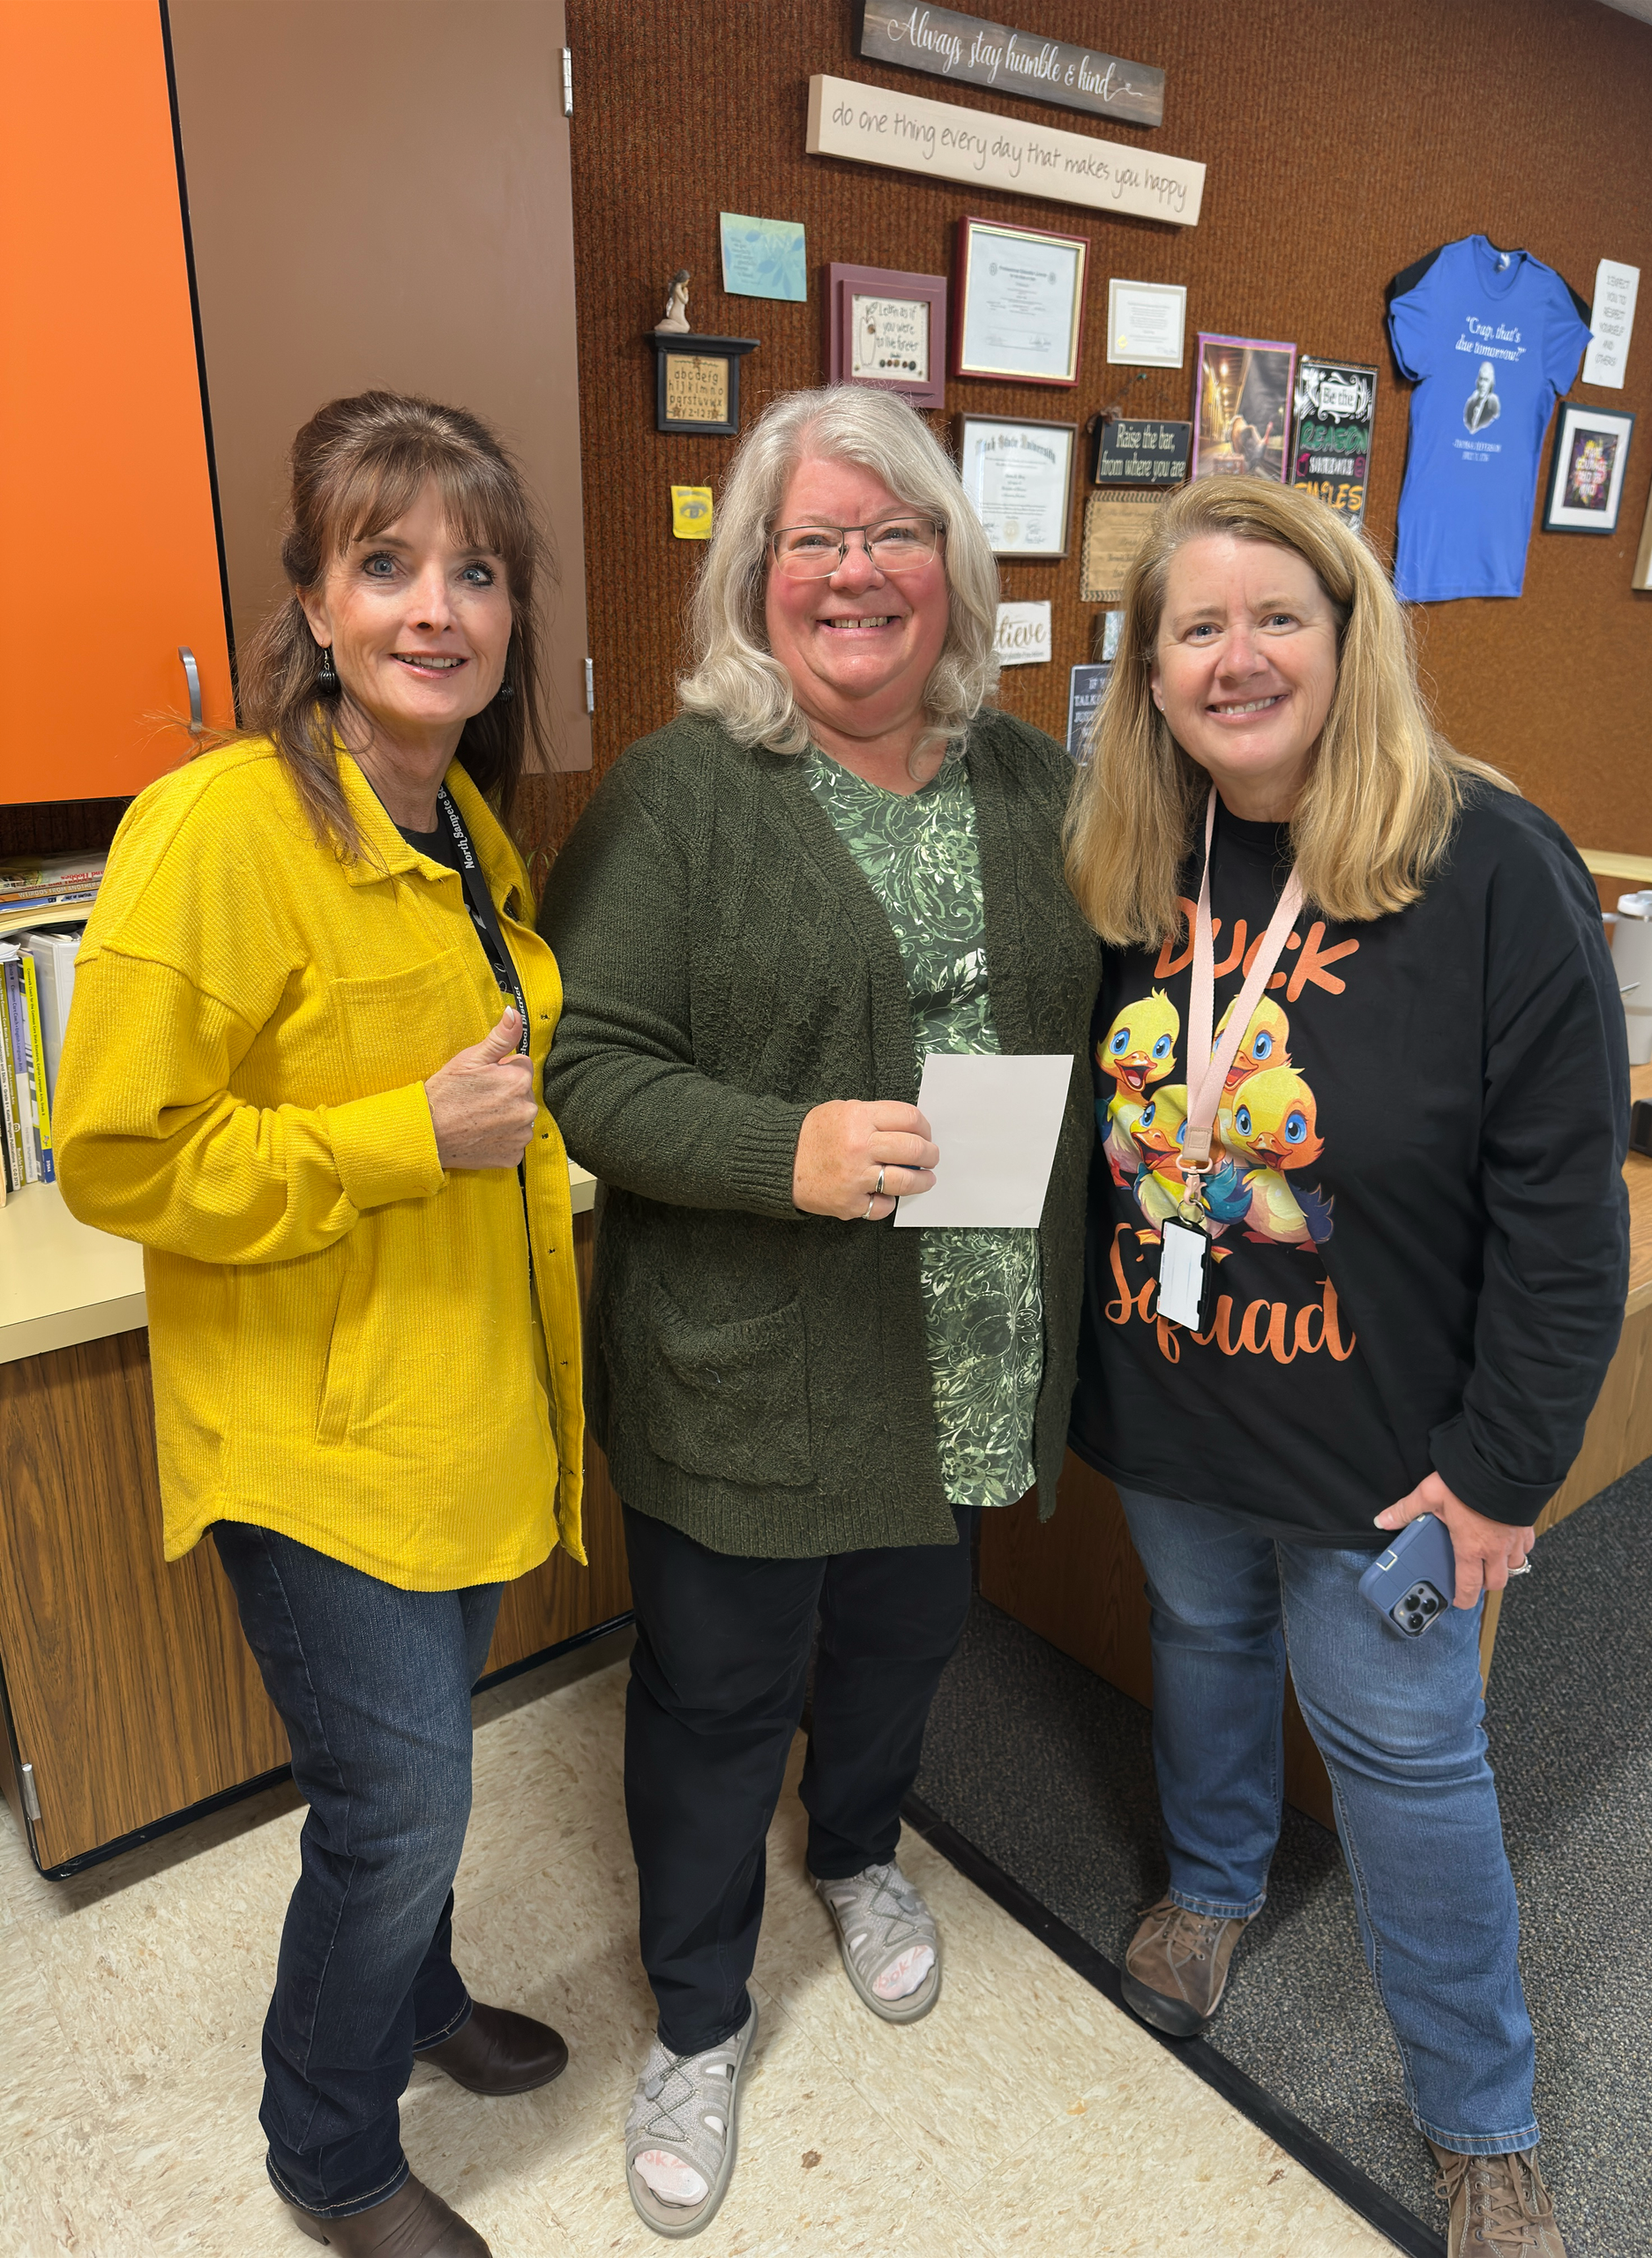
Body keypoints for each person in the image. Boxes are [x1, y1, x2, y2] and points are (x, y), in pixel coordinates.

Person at [540, 383, 1098, 2238]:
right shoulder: (678, 793)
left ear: (954, 565)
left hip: (961, 1351)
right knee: (712, 1693)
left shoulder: (1029, 782)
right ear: (755, 579)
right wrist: (784, 1145)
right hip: (754, 1366)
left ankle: (855, 1848)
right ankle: (696, 2011)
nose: (857, 571)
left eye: (894, 533)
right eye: (815, 539)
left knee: (902, 1643)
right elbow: (589, 1070)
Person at [1065, 475, 1628, 2258]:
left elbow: (1565, 1213)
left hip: (1396, 1453)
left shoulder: (1491, 866)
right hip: (1175, 1399)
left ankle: (1481, 2118)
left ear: (1350, 632)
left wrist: (1505, 1471)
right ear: (1150, 675)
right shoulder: (1129, 867)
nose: (1238, 657)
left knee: (1408, 1752)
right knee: (1205, 1652)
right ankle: (1215, 1888)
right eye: (1196, 627)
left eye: (1275, 616)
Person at [55, 392, 586, 2258]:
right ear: (312, 597)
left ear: (514, 615)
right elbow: (115, 1150)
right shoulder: (217, 826)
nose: (437, 605)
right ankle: (329, 2141)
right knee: (398, 1797)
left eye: (477, 570)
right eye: (388, 563)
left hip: (445, 1409)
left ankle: (416, 1995)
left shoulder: (461, 833)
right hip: (307, 1436)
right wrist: (399, 1138)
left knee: (416, 1779)